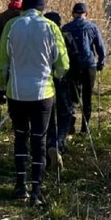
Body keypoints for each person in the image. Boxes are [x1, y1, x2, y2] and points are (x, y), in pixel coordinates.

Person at [0, 0, 69, 206]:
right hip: (43, 93)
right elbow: (63, 64)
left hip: (16, 93)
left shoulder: (12, 26)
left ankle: (20, 185)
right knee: (39, 139)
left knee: (20, 137)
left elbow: (2, 62)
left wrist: (1, 86)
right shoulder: (51, 27)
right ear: (41, 8)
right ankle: (36, 190)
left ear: (24, 6)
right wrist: (55, 74)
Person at [62, 2, 106, 134]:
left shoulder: (66, 28)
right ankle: (85, 129)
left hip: (72, 66)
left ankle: (70, 126)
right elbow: (100, 47)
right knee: (87, 97)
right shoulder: (92, 27)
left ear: (73, 13)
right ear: (86, 14)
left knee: (73, 97)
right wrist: (101, 63)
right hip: (89, 65)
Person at [42, 11, 75, 169]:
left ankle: (48, 145)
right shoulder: (65, 37)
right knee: (66, 114)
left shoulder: (40, 38)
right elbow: (72, 60)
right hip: (62, 81)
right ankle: (59, 143)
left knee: (47, 117)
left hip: (45, 83)